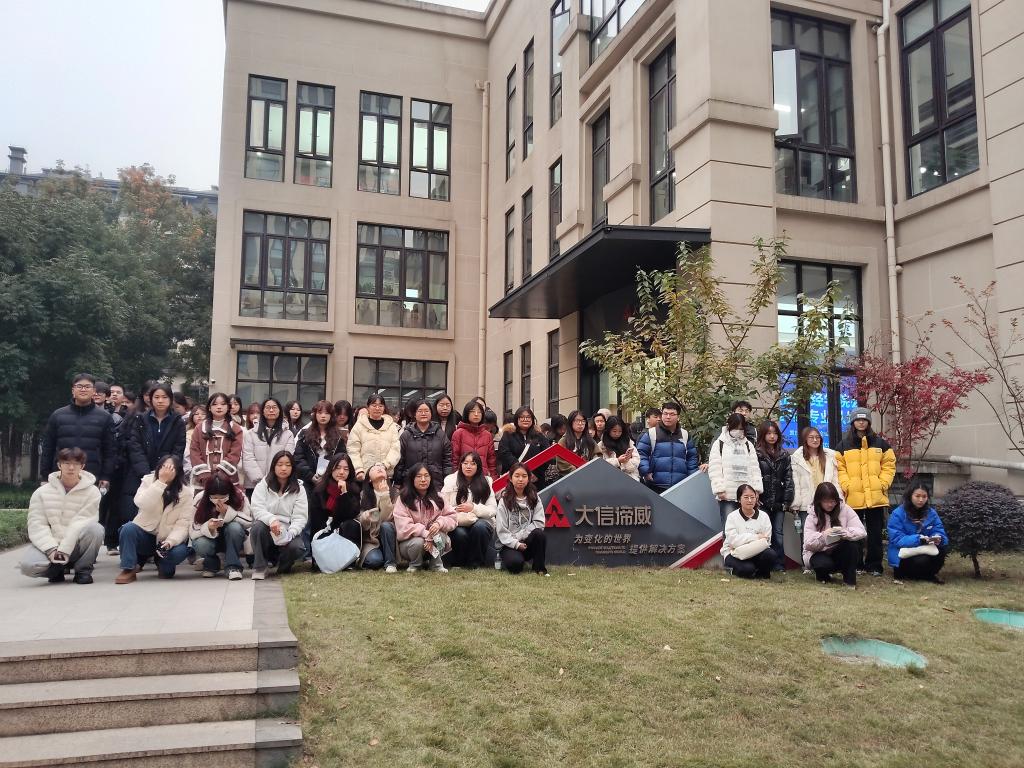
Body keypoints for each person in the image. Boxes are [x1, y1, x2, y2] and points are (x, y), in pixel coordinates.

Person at [20, 447, 104, 584]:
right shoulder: (41, 492)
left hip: (76, 545)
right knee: (28, 567)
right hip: (51, 545)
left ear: (82, 466)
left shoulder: (92, 492)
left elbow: (83, 521)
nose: (71, 468)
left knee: (96, 530)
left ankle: (83, 570)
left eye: (76, 464)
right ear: (59, 465)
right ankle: (56, 569)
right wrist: (52, 550)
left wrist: (64, 550)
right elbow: (37, 524)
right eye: (66, 463)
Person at [835, 408, 896, 576]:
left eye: (864, 420)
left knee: (875, 533)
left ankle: (874, 565)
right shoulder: (843, 445)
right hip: (853, 496)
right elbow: (840, 469)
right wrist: (847, 485)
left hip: (875, 496)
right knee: (854, 532)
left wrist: (883, 483)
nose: (861, 422)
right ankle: (856, 564)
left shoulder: (881, 444)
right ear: (853, 422)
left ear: (868, 422)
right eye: (858, 420)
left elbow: (889, 465)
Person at [115, 455, 194, 583]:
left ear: (178, 472)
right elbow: (141, 503)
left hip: (166, 540)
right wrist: (160, 483)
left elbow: (183, 523)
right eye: (163, 467)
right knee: (128, 529)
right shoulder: (148, 481)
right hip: (146, 533)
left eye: (171, 468)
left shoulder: (186, 492)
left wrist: (170, 541)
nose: (166, 471)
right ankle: (128, 569)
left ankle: (160, 561)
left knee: (174, 560)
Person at [122, 383, 186, 531]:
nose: (160, 400)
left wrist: (165, 471)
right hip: (141, 473)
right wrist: (147, 474)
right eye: (156, 397)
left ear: (170, 399)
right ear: (150, 399)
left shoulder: (178, 421)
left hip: (168, 472)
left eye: (164, 397)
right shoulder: (140, 419)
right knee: (135, 509)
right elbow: (135, 447)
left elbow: (178, 448)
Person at [40, 373, 116, 493]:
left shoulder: (105, 417)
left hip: (92, 476)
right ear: (73, 390)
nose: (83, 389)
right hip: (61, 476)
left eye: (87, 386)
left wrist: (106, 476)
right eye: (79, 386)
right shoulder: (58, 415)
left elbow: (110, 450)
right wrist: (45, 476)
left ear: (94, 391)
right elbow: (48, 448)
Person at [249, 451, 308, 579]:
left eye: (288, 465)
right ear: (273, 466)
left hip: (287, 529)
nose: (283, 468)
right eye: (280, 464)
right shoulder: (263, 485)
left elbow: (300, 517)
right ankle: (260, 567)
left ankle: (283, 566)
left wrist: (290, 533)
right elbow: (257, 509)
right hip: (267, 527)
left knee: (297, 547)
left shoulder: (299, 489)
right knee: (257, 528)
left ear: (292, 468)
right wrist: (272, 520)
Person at [393, 463, 457, 573]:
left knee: (439, 536)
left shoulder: (439, 497)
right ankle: (415, 565)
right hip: (411, 545)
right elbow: (403, 527)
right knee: (419, 542)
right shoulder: (403, 499)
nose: (423, 479)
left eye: (426, 476)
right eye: (419, 476)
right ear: (412, 479)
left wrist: (439, 523)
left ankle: (436, 564)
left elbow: (452, 517)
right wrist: (427, 534)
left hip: (433, 544)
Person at [190, 469, 252, 580]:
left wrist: (229, 512)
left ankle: (233, 567)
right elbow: (193, 530)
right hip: (210, 539)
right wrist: (208, 527)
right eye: (214, 498)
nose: (219, 501)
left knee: (234, 528)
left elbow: (249, 522)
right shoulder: (200, 499)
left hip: (233, 538)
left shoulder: (239, 497)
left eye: (223, 497)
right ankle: (211, 563)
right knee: (201, 543)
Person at [802, 482, 866, 588]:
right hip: (819, 552)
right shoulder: (812, 516)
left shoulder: (845, 509)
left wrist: (845, 533)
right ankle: (822, 575)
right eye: (826, 501)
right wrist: (823, 536)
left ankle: (849, 581)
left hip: (839, 550)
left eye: (833, 501)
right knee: (822, 564)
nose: (830, 504)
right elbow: (808, 544)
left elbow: (861, 531)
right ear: (819, 501)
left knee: (853, 545)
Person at [441, 451, 498, 568]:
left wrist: (474, 508)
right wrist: (458, 509)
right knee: (459, 533)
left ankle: (475, 563)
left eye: (473, 463)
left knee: (480, 527)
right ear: (460, 464)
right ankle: (460, 562)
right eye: (465, 463)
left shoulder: (486, 482)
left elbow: (492, 510)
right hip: (458, 520)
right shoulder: (450, 481)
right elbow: (442, 506)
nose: (468, 466)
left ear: (478, 466)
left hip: (481, 520)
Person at [308, 453, 362, 571]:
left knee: (352, 525)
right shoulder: (319, 490)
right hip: (325, 530)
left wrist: (344, 494)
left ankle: (349, 561)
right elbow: (316, 522)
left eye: (346, 469)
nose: (341, 472)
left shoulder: (353, 489)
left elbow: (352, 514)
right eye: (338, 468)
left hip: (343, 530)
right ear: (331, 469)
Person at [707, 413, 763, 527]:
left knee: (748, 528)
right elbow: (715, 468)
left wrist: (756, 490)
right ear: (728, 426)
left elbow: (755, 468)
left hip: (747, 494)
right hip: (727, 495)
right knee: (729, 528)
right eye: (735, 428)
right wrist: (719, 489)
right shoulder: (719, 444)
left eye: (741, 428)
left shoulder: (748, 445)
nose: (738, 431)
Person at [887, 479, 948, 584]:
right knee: (921, 560)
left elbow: (939, 530)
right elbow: (897, 539)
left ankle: (928, 575)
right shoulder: (898, 513)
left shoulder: (931, 513)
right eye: (917, 496)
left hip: (925, 547)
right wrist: (919, 540)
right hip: (903, 553)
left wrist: (938, 538)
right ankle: (913, 575)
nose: (921, 500)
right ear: (910, 496)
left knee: (941, 552)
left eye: (924, 496)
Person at [790, 426, 842, 542]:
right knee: (808, 538)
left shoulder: (829, 456)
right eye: (811, 437)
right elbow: (795, 482)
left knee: (829, 536)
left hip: (827, 501)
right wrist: (796, 503)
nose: (815, 440)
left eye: (817, 437)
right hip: (806, 503)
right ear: (805, 439)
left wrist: (839, 498)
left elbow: (835, 480)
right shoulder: (797, 458)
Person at [495, 462, 548, 575]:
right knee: (515, 566)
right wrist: (516, 544)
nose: (520, 479)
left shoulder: (534, 497)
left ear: (529, 479)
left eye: (524, 476)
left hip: (527, 542)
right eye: (517, 476)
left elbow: (539, 523)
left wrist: (522, 536)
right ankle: (516, 559)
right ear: (510, 478)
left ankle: (539, 568)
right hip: (509, 544)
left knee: (539, 534)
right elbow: (501, 530)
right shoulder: (504, 500)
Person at [755, 420, 794, 570]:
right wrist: (755, 497)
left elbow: (788, 479)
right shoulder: (756, 453)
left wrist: (787, 501)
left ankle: (779, 564)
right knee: (763, 533)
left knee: (778, 533)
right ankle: (764, 563)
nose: (772, 436)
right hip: (762, 501)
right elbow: (753, 476)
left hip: (779, 501)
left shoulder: (784, 454)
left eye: (775, 433)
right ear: (763, 435)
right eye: (769, 433)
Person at [637, 402, 699, 493]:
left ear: (678, 417)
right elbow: (641, 454)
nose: (668, 417)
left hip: (680, 485)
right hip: (655, 485)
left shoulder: (685, 434)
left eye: (672, 414)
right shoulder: (651, 433)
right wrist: (646, 472)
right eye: (665, 413)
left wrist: (692, 477)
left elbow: (692, 457)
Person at [720, 483, 778, 579]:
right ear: (739, 499)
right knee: (747, 570)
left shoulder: (764, 516)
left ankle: (760, 574)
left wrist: (742, 541)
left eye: (752, 497)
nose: (750, 500)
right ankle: (734, 569)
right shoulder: (732, 517)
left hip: (756, 551)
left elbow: (766, 541)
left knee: (770, 554)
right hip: (734, 553)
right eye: (746, 497)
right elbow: (733, 541)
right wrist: (756, 537)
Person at [241, 398, 296, 493]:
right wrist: (260, 481)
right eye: (268, 407)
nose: (271, 410)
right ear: (262, 411)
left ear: (280, 411)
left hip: (278, 484)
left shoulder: (288, 434)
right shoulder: (251, 434)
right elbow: (248, 458)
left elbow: (287, 458)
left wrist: (274, 480)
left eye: (274, 407)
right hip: (254, 485)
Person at [395, 399, 452, 488]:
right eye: (420, 411)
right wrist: (397, 482)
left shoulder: (440, 435)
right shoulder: (406, 435)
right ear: (414, 414)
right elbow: (400, 461)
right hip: (411, 482)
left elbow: (447, 461)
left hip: (435, 483)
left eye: (426, 411)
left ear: (431, 413)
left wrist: (448, 481)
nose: (423, 413)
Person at [347, 394, 401, 482]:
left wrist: (385, 465)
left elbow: (395, 449)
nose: (377, 408)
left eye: (380, 406)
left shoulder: (391, 426)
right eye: (374, 405)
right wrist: (359, 469)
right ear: (368, 407)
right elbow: (353, 449)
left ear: (384, 408)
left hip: (385, 475)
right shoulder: (359, 425)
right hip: (364, 476)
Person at [190, 392, 244, 477]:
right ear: (209, 408)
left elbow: (235, 453)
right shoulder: (199, 428)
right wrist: (204, 474)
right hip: (202, 478)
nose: (219, 407)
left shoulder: (236, 428)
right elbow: (194, 452)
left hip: (227, 478)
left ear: (228, 407)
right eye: (215, 404)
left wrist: (222, 473)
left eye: (223, 404)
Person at [497, 407, 553, 488]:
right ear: (517, 419)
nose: (525, 419)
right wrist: (521, 471)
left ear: (532, 419)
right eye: (522, 417)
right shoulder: (508, 434)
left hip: (536, 480)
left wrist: (535, 474)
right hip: (513, 479)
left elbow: (547, 454)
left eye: (528, 417)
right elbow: (504, 453)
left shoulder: (539, 436)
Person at [358, 463, 398, 572]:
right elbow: (361, 523)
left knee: (386, 526)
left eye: (381, 468)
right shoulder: (363, 495)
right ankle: (379, 557)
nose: (379, 469)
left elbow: (387, 518)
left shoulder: (395, 493)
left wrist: (384, 495)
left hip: (389, 536)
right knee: (374, 561)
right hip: (371, 540)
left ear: (387, 476)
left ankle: (390, 563)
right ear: (369, 479)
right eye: (374, 469)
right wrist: (365, 517)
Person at [451, 400, 498, 478]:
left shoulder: (487, 435)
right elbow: (455, 459)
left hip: (482, 477)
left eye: (479, 412)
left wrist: (493, 478)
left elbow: (491, 460)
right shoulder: (458, 433)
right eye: (473, 411)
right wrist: (455, 476)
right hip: (463, 477)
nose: (476, 414)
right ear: (467, 413)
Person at [596, 415, 641, 481]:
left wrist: (626, 462)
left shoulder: (628, 442)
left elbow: (637, 460)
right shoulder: (601, 445)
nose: (617, 434)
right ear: (608, 430)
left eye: (620, 431)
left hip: (629, 479)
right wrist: (617, 461)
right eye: (614, 431)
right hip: (610, 480)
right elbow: (599, 465)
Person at [556, 410, 596, 477]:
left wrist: (591, 467)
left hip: (588, 475)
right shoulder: (563, 440)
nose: (580, 423)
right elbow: (561, 461)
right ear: (571, 422)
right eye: (577, 421)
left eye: (583, 421)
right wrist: (575, 470)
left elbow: (597, 455)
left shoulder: (590, 440)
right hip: (570, 477)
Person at [182, 404, 208, 472]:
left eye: (203, 414)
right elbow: (186, 454)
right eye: (196, 414)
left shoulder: (212, 431)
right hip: (192, 467)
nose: (200, 416)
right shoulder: (188, 433)